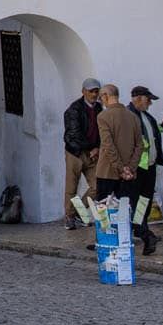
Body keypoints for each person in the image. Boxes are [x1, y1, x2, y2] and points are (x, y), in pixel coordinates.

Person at [94, 85, 150, 247]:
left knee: (103, 207)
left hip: (108, 171)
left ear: (105, 96)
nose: (101, 101)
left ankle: (104, 239)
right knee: (125, 207)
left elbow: (108, 145)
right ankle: (126, 237)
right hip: (129, 172)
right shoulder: (132, 116)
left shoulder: (103, 116)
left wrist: (120, 167)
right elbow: (140, 145)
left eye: (101, 97)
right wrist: (130, 167)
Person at [127, 87, 163, 256]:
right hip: (138, 167)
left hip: (149, 166)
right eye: (148, 99)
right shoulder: (130, 116)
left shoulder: (146, 116)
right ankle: (144, 233)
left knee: (145, 200)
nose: (150, 103)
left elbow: (152, 133)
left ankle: (141, 229)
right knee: (136, 202)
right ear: (137, 98)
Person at [62, 77, 103, 229]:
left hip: (92, 152)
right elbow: (74, 134)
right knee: (71, 187)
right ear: (84, 91)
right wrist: (91, 148)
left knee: (97, 186)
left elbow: (101, 131)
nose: (94, 94)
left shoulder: (98, 108)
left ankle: (79, 212)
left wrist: (97, 147)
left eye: (96, 91)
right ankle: (69, 216)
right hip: (75, 152)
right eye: (91, 91)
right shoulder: (74, 109)